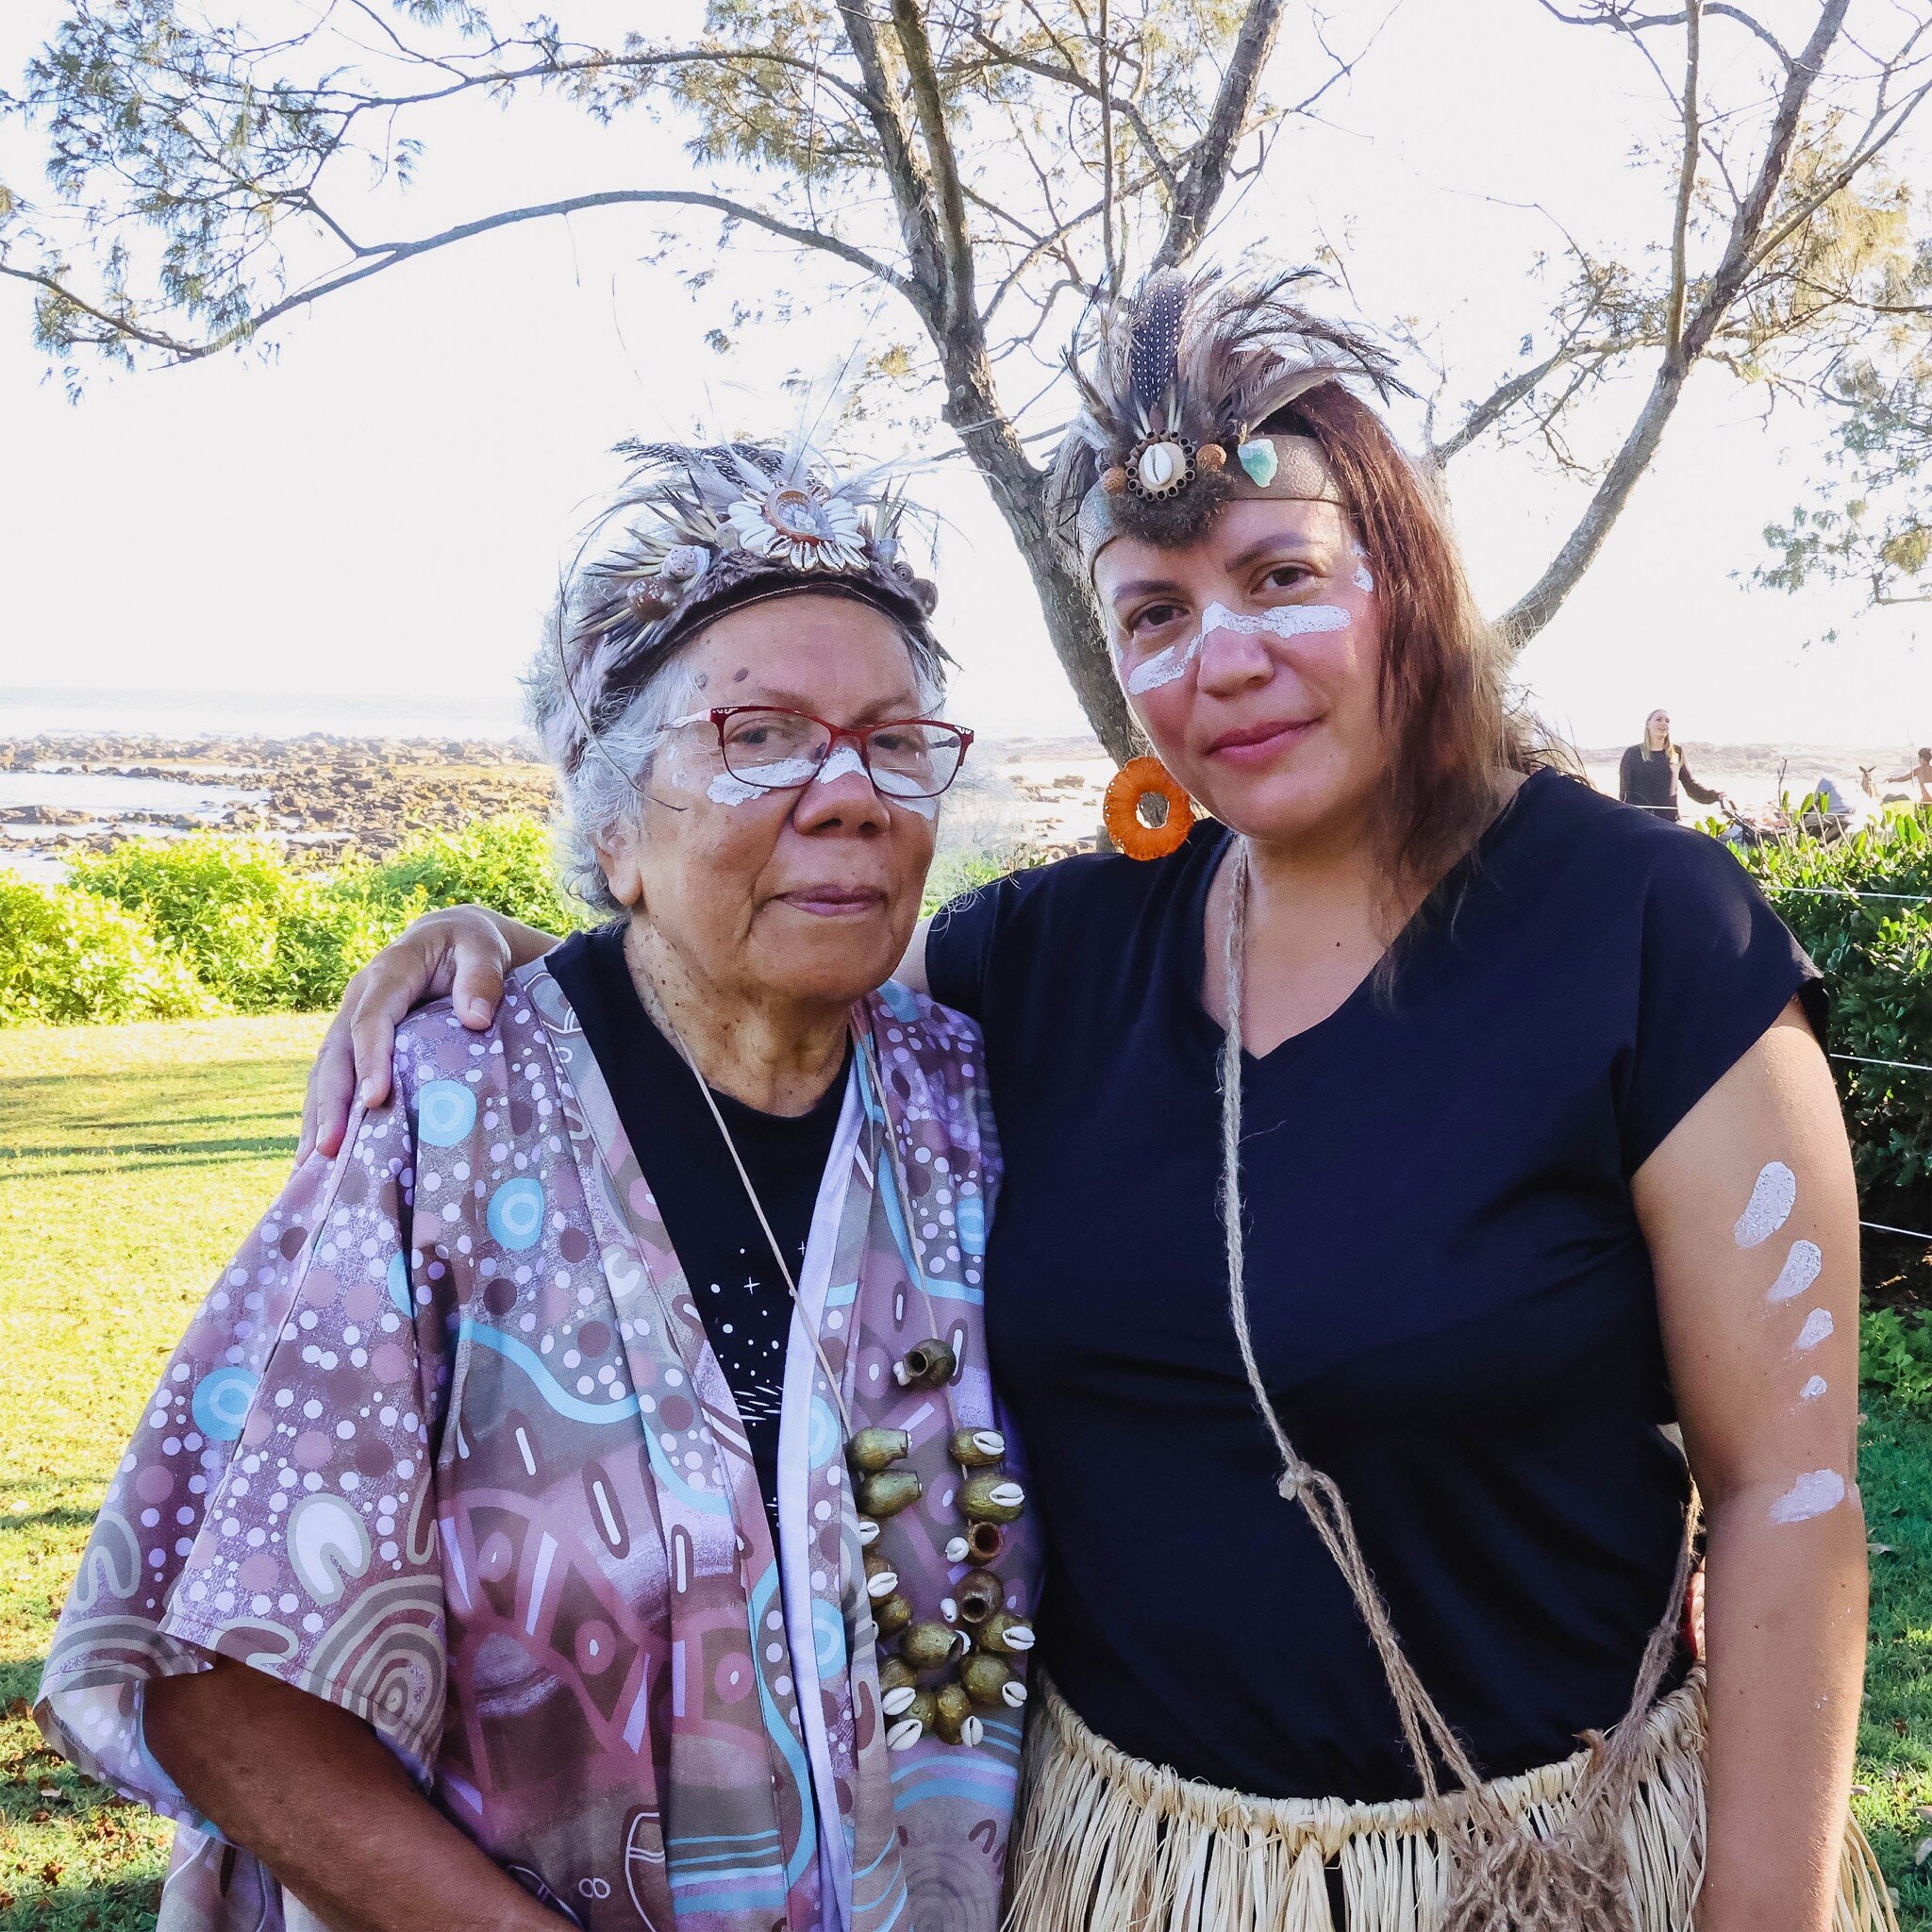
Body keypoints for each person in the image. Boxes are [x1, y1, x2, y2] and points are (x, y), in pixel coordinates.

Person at [294, 274, 1890, 1932]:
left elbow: (1783, 1489)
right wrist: (539, 950)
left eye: (1280, 577)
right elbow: (741, 995)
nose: (1228, 657)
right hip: (1129, 1870)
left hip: (1546, 1865)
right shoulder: (1039, 962)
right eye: (1154, 615)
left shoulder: (1643, 931)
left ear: (1402, 585)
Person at [36, 442, 1039, 1932]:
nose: (848, 794)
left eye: (895, 743)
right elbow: (212, 1683)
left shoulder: (980, 1102)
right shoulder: (441, 1116)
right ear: (615, 826)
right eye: (760, 736)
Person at [1618, 708, 1728, 822]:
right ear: (1647, 724)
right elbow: (1625, 793)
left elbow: (1691, 787)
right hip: (1641, 821)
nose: (1664, 723)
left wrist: (1715, 796)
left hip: (1670, 821)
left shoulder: (1677, 752)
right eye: (1659, 719)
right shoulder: (1632, 753)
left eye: (1667, 721)